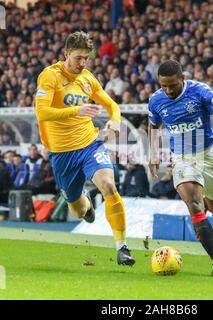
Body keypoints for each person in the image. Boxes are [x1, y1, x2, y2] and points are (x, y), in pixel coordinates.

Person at [35, 31, 134, 266]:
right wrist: (75, 111)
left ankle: (122, 247)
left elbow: (112, 105)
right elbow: (42, 112)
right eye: (78, 58)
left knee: (109, 185)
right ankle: (85, 201)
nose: (83, 63)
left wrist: (115, 120)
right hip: (62, 154)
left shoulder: (88, 79)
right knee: (79, 211)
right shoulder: (50, 76)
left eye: (86, 58)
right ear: (66, 54)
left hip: (90, 144)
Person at [148, 60, 213, 277]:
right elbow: (153, 126)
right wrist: (154, 153)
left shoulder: (200, 91)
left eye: (172, 86)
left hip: (209, 154)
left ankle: (202, 207)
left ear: (182, 79)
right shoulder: (156, 100)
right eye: (163, 86)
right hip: (183, 158)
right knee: (194, 205)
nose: (168, 90)